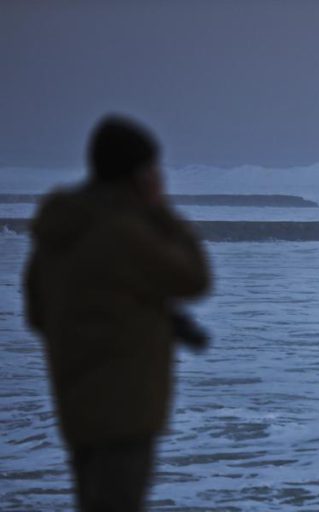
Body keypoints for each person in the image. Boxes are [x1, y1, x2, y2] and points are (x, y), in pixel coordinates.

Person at [23, 115, 211, 511]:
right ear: (136, 173)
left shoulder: (61, 228)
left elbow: (38, 312)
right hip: (126, 406)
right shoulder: (124, 231)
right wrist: (161, 211)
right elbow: (194, 279)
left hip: (75, 398)